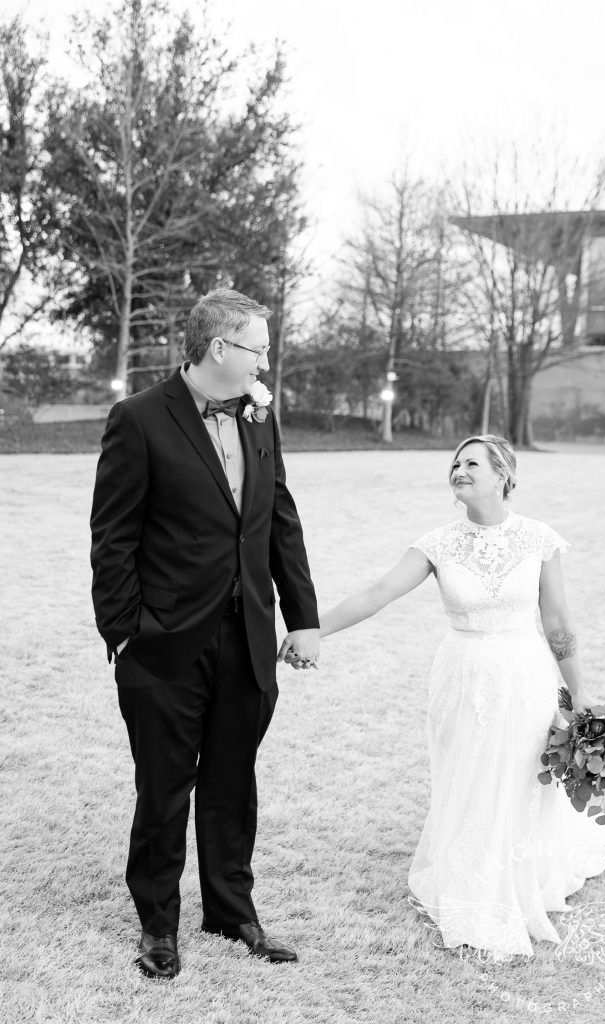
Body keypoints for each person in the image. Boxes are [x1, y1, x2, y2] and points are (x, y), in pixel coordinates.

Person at [294, 435, 605, 958]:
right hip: (463, 675)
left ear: (503, 475)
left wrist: (579, 690)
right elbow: (377, 594)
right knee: (470, 771)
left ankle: (516, 871)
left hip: (524, 673)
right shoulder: (437, 544)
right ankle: (470, 872)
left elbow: (557, 621)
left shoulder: (538, 539)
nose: (458, 469)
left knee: (519, 772)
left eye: (471, 462)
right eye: (454, 463)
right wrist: (312, 631)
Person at [91, 288, 320, 979]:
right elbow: (112, 537)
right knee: (164, 788)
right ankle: (158, 924)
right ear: (219, 348)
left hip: (247, 636)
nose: (266, 362)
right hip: (164, 642)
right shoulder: (138, 419)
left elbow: (279, 517)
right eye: (258, 348)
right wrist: (125, 633)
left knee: (232, 781)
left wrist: (303, 618)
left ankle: (231, 911)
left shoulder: (259, 416)